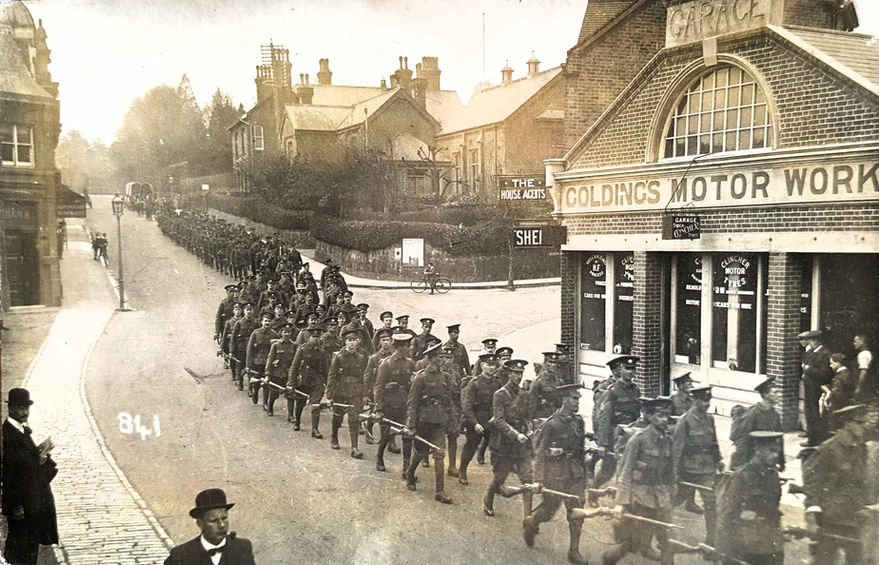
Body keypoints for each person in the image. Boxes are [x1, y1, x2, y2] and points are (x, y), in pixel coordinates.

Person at [601, 397, 674, 565]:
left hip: (661, 497)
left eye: (667, 416)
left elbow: (670, 472)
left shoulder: (668, 440)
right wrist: (621, 503)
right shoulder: (638, 440)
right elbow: (625, 473)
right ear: (649, 417)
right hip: (640, 497)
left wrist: (672, 492)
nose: (665, 419)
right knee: (632, 542)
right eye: (660, 415)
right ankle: (609, 559)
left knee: (667, 541)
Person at [523, 383, 589, 565]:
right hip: (555, 474)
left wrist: (585, 477)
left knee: (577, 512)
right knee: (548, 511)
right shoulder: (551, 424)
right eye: (574, 399)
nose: (577, 402)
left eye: (578, 399)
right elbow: (540, 452)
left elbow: (580, 451)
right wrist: (538, 480)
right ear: (564, 400)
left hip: (574, 474)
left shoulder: (578, 422)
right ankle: (531, 522)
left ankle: (574, 551)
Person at [2, 388, 58, 565]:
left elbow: (25, 463)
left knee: (28, 547)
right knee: (20, 549)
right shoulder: (8, 435)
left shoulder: (20, 430)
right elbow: (9, 474)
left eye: (27, 407)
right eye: (20, 408)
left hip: (31, 502)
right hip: (21, 506)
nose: (25, 412)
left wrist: (40, 457)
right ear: (10, 408)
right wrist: (16, 505)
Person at [716, 431, 785, 565]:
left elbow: (774, 507)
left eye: (777, 451)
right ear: (759, 450)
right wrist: (723, 549)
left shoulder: (773, 475)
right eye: (771, 451)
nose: (776, 456)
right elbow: (726, 512)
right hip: (747, 544)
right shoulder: (742, 476)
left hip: (772, 543)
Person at [403, 342, 457, 503]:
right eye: (440, 357)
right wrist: (411, 425)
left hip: (440, 421)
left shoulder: (446, 377)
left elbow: (448, 401)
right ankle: (410, 474)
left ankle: (440, 491)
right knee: (420, 453)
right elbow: (412, 403)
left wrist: (452, 420)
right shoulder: (421, 377)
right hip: (423, 421)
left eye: (444, 356)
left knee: (439, 454)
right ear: (432, 358)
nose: (443, 359)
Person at [672, 385, 723, 545]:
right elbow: (677, 449)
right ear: (694, 400)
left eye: (708, 400)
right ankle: (651, 531)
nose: (706, 404)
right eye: (703, 400)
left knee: (711, 502)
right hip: (688, 469)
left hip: (707, 468)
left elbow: (713, 442)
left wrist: (718, 460)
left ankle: (711, 540)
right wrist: (674, 473)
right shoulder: (685, 421)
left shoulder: (710, 419)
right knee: (674, 500)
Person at [484, 359, 533, 518]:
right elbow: (498, 420)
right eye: (515, 373)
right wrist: (515, 434)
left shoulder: (524, 394)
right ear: (509, 374)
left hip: (521, 444)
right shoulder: (499, 395)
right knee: (500, 478)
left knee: (527, 480)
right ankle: (488, 499)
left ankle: (528, 517)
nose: (518, 376)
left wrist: (530, 429)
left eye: (520, 373)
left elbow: (527, 417)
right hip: (503, 443)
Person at [164, 488, 254, 565]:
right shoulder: (181, 555)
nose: (221, 525)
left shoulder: (243, 547)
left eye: (224, 518)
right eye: (213, 520)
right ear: (200, 524)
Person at [593, 355, 641, 488]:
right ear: (621, 370)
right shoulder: (612, 391)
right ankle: (593, 492)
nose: (630, 372)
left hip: (631, 435)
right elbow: (604, 418)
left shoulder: (636, 390)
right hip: (616, 436)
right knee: (608, 470)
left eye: (633, 369)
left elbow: (637, 415)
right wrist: (602, 443)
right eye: (627, 368)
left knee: (631, 468)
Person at [322, 328, 368, 458]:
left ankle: (354, 447)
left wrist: (364, 395)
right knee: (338, 417)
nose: (352, 343)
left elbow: (364, 377)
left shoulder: (361, 358)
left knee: (354, 420)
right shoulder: (339, 358)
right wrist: (329, 396)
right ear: (345, 342)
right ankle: (334, 437)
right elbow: (332, 377)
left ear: (357, 342)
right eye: (349, 340)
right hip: (340, 392)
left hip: (355, 393)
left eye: (354, 340)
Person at [374, 333, 415, 474]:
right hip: (389, 404)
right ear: (399, 347)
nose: (409, 348)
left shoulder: (410, 363)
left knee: (407, 436)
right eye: (407, 346)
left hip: (404, 404)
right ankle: (379, 456)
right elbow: (378, 387)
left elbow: (413, 385)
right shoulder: (386, 364)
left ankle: (406, 469)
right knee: (387, 435)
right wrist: (378, 409)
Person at [457, 353, 501, 484]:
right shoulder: (474, 383)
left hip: (491, 420)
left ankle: (497, 481)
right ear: (482, 366)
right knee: (471, 446)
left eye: (493, 365)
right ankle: (462, 470)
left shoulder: (497, 382)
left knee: (497, 450)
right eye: (488, 364)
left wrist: (496, 417)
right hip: (477, 420)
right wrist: (474, 423)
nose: (491, 367)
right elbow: (467, 407)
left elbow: (500, 402)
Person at [730, 378, 784, 471]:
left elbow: (779, 440)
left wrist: (781, 461)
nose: (779, 395)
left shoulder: (775, 415)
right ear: (766, 394)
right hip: (753, 461)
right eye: (775, 392)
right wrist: (741, 466)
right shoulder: (752, 413)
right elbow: (743, 441)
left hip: (768, 460)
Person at [288, 324, 328, 434]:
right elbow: (294, 367)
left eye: (318, 337)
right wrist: (291, 383)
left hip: (317, 382)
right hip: (304, 381)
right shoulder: (302, 349)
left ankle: (315, 429)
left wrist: (327, 385)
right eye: (313, 337)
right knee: (300, 403)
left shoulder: (322, 352)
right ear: (309, 337)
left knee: (316, 406)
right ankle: (297, 422)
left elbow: (326, 370)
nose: (315, 339)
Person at [801, 329, 831, 447]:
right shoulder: (811, 352)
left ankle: (816, 439)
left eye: (812, 340)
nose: (810, 343)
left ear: (817, 341)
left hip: (817, 388)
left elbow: (824, 373)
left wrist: (808, 369)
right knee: (809, 412)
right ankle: (811, 437)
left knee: (815, 413)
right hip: (808, 386)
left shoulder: (825, 354)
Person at [264, 323, 298, 417]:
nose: (287, 334)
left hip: (289, 375)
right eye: (285, 332)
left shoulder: (295, 346)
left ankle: (291, 415)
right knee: (274, 394)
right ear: (281, 333)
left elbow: (297, 362)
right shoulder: (275, 345)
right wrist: (267, 374)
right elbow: (269, 360)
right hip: (277, 373)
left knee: (290, 395)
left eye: (289, 332)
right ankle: (270, 407)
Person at [824, 352, 857, 431]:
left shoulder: (839, 376)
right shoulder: (848, 373)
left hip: (839, 405)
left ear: (838, 363)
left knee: (835, 427)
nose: (830, 365)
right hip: (847, 403)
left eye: (831, 363)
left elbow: (837, 392)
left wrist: (830, 400)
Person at [853, 333, 876, 401]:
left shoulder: (863, 354)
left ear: (861, 342)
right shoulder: (867, 353)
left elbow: (863, 372)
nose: (854, 344)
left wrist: (858, 388)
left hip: (864, 390)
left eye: (855, 341)